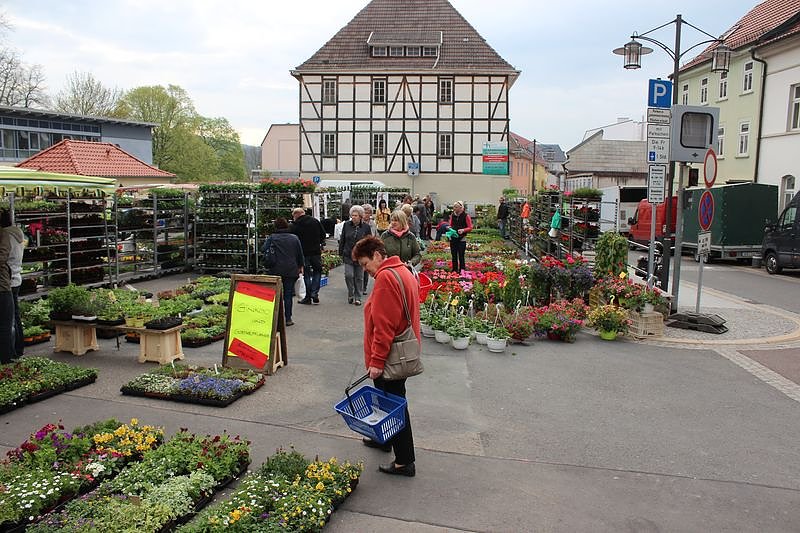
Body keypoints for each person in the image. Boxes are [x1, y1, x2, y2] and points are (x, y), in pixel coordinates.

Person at [352, 236, 420, 477]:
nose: (365, 270)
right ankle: (384, 440)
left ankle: (405, 461)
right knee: (389, 400)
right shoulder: (402, 270)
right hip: (402, 353)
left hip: (390, 356)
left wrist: (376, 362)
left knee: (394, 405)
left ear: (377, 256)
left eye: (364, 264)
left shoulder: (385, 278)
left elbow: (384, 327)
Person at [262, 217, 304, 326]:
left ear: (275, 226)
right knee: (288, 294)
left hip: (275, 269)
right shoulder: (294, 238)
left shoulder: (272, 238)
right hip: (291, 269)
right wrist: (300, 266)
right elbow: (300, 253)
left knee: (275, 294)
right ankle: (288, 318)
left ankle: (274, 318)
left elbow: (263, 249)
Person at [290, 207, 326, 305]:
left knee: (306, 273)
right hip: (315, 252)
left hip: (303, 253)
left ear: (296, 215)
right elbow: (323, 235)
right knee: (317, 271)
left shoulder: (295, 225)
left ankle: (308, 296)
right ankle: (315, 292)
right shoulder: (315, 221)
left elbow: (293, 240)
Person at [338, 205, 371, 305]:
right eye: (352, 215)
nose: (353, 217)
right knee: (349, 275)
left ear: (360, 216)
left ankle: (358, 297)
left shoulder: (366, 227)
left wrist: (368, 255)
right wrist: (340, 252)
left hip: (360, 256)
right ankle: (351, 293)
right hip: (348, 254)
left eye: (356, 215)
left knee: (359, 277)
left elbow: (369, 242)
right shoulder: (346, 225)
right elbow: (343, 239)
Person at [3, 212, 24, 359]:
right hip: (16, 277)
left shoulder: (5, 236)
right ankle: (18, 347)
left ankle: (11, 351)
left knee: (8, 320)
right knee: (14, 316)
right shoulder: (18, 234)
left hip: (7, 279)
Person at [0, 210, 14, 363]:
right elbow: (3, 256)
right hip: (2, 286)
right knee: (5, 325)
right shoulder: (3, 234)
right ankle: (5, 360)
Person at [448, 201, 473, 273]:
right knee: (454, 255)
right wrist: (449, 228)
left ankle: (462, 270)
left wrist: (463, 230)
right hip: (453, 237)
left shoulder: (466, 216)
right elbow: (450, 224)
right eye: (454, 207)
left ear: (461, 208)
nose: (454, 208)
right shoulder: (453, 215)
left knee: (461, 255)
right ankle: (454, 270)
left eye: (456, 207)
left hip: (462, 238)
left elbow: (470, 227)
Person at [361, 204, 377, 293]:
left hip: (369, 248)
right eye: (365, 213)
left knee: (366, 268)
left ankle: (364, 287)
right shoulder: (359, 223)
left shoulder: (372, 223)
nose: (366, 215)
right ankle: (359, 285)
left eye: (368, 213)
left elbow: (374, 235)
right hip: (360, 248)